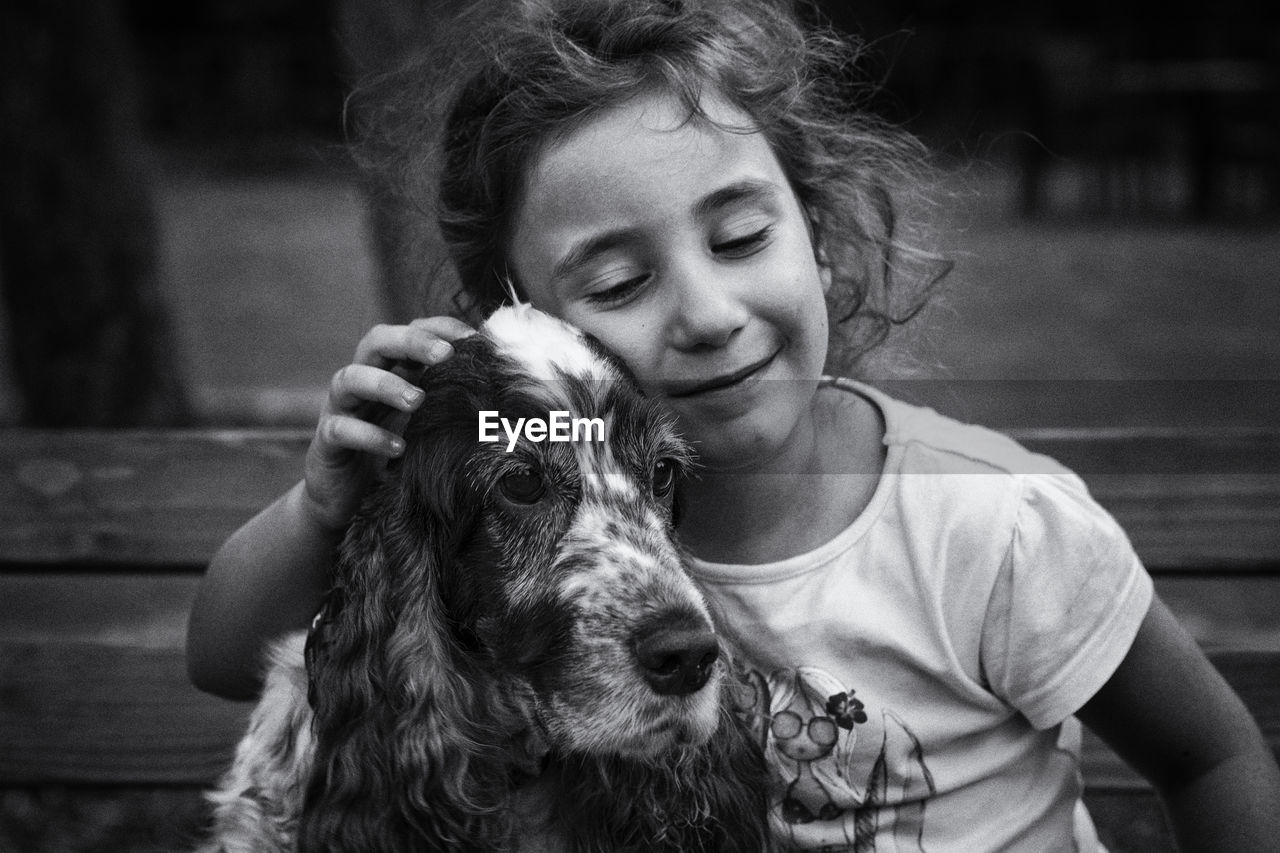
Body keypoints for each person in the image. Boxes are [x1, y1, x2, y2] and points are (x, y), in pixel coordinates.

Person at [187, 1, 1280, 849]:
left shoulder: (992, 527)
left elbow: (1211, 755)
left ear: (817, 232)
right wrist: (324, 501)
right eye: (616, 281)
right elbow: (228, 656)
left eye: (743, 234)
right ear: (524, 329)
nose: (707, 316)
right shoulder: (547, 498)